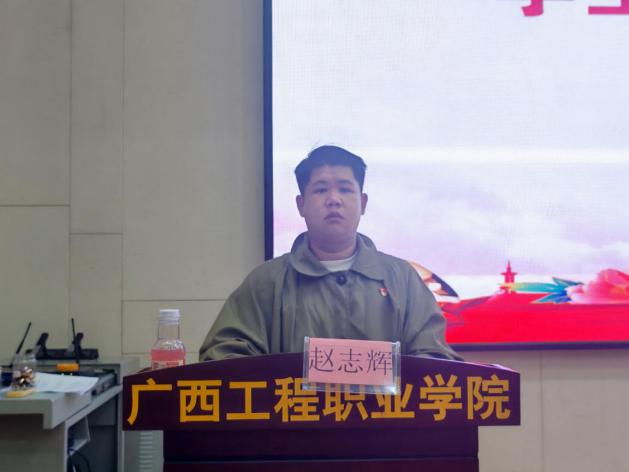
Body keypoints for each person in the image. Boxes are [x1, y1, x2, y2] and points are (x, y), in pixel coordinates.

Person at [199, 145, 460, 361]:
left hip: (385, 412)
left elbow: (436, 362)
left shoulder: (403, 280)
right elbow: (222, 358)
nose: (333, 199)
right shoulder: (266, 282)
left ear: (363, 203)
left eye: (345, 189)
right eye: (321, 189)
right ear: (301, 205)